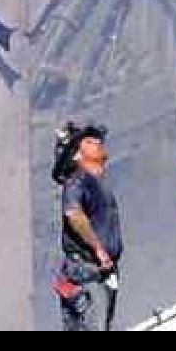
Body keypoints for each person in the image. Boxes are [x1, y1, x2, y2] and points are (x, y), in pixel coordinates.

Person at [51, 122, 124, 331]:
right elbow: (73, 214)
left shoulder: (92, 181)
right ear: (76, 154)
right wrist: (99, 250)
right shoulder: (78, 180)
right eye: (89, 141)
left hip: (97, 272)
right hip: (89, 272)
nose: (97, 142)